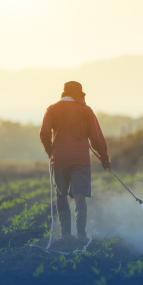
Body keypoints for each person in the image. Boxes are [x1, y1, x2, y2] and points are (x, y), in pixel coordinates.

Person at [40, 81, 111, 242]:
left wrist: (51, 152)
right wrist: (105, 159)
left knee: (61, 194)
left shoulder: (52, 109)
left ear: (64, 92)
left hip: (59, 159)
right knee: (80, 197)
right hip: (81, 160)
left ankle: (66, 235)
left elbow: (44, 132)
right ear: (79, 93)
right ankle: (81, 235)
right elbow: (97, 139)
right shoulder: (86, 110)